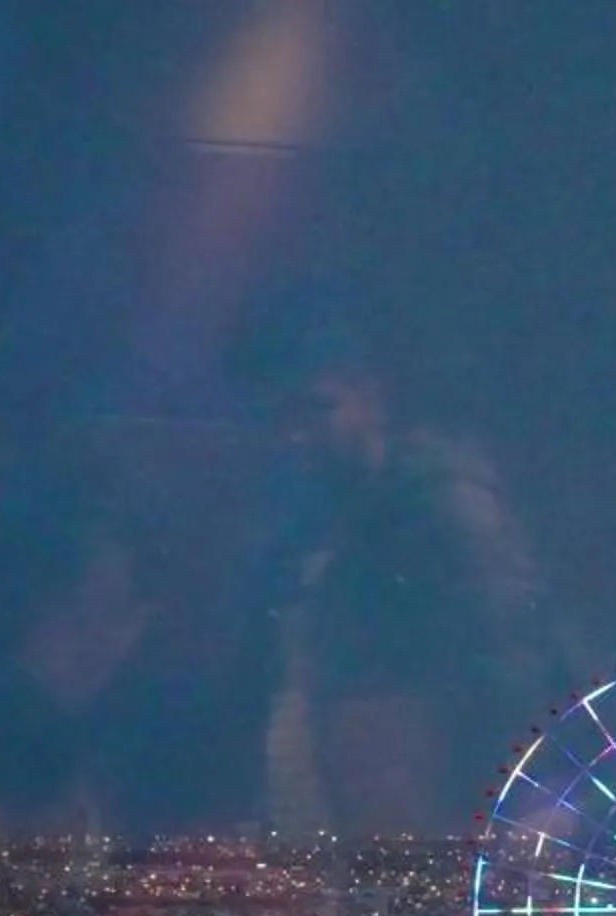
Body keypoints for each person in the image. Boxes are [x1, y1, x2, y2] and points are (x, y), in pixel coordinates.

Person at [232, 304, 576, 837]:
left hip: (448, 819)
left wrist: (486, 812)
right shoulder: (317, 521)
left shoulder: (443, 504)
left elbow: (505, 658)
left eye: (315, 409)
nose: (297, 436)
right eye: (282, 418)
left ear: (370, 396)